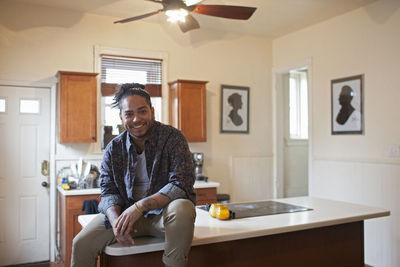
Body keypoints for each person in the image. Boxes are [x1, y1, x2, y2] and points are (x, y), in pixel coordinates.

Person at [71, 83, 197, 267]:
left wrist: (139, 207)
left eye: (142, 111)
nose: (136, 119)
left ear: (152, 111)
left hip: (162, 217)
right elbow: (108, 192)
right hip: (126, 218)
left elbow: (181, 184)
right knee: (81, 244)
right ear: (121, 117)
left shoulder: (173, 138)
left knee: (183, 208)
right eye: (129, 114)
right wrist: (115, 220)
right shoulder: (113, 148)